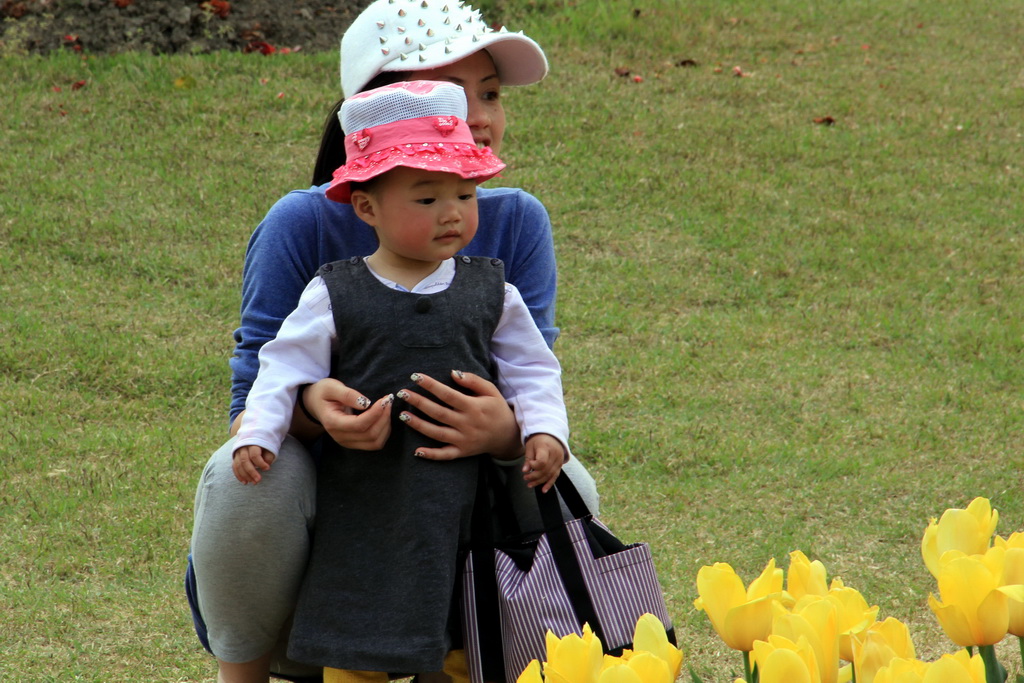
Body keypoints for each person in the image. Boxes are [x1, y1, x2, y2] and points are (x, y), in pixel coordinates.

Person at [188, 1, 601, 681]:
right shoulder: (301, 224)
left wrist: (506, 431)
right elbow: (248, 407)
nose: (476, 116)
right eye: (446, 93)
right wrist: (312, 404)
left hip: (458, 534)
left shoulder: (517, 223)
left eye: (489, 93)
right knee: (246, 476)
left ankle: (492, 656)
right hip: (328, 566)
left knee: (568, 477)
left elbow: (533, 375)